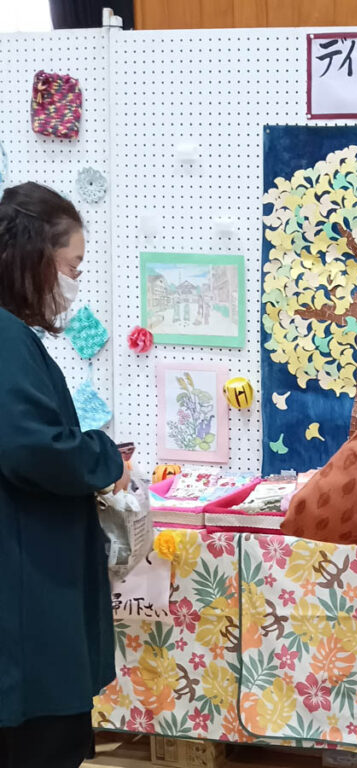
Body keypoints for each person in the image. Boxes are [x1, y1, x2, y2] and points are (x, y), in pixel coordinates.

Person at [0, 182, 128, 768]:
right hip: (27, 586)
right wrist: (105, 459)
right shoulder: (6, 340)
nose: (73, 280)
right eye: (72, 264)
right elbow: (34, 448)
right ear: (35, 256)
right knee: (41, 738)